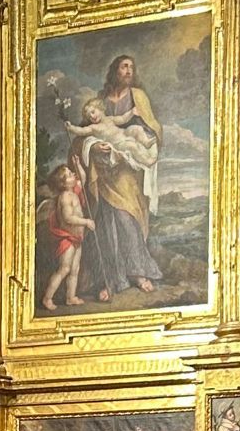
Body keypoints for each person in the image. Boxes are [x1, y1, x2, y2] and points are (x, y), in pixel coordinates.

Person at [79, 54, 164, 301]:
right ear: (114, 70)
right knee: (106, 223)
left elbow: (153, 128)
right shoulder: (101, 101)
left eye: (131, 67)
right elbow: (84, 133)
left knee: (127, 218)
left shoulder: (138, 96)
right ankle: (109, 279)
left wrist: (135, 142)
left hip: (128, 170)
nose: (128, 70)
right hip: (105, 172)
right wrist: (93, 147)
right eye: (123, 66)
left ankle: (137, 272)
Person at [39, 165, 93, 312]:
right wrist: (86, 222)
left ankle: (71, 297)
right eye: (69, 175)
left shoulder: (74, 191)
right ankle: (47, 298)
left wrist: (78, 165)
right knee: (64, 268)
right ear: (63, 184)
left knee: (75, 269)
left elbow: (83, 178)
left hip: (77, 238)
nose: (73, 175)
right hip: (67, 239)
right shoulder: (64, 197)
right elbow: (68, 218)